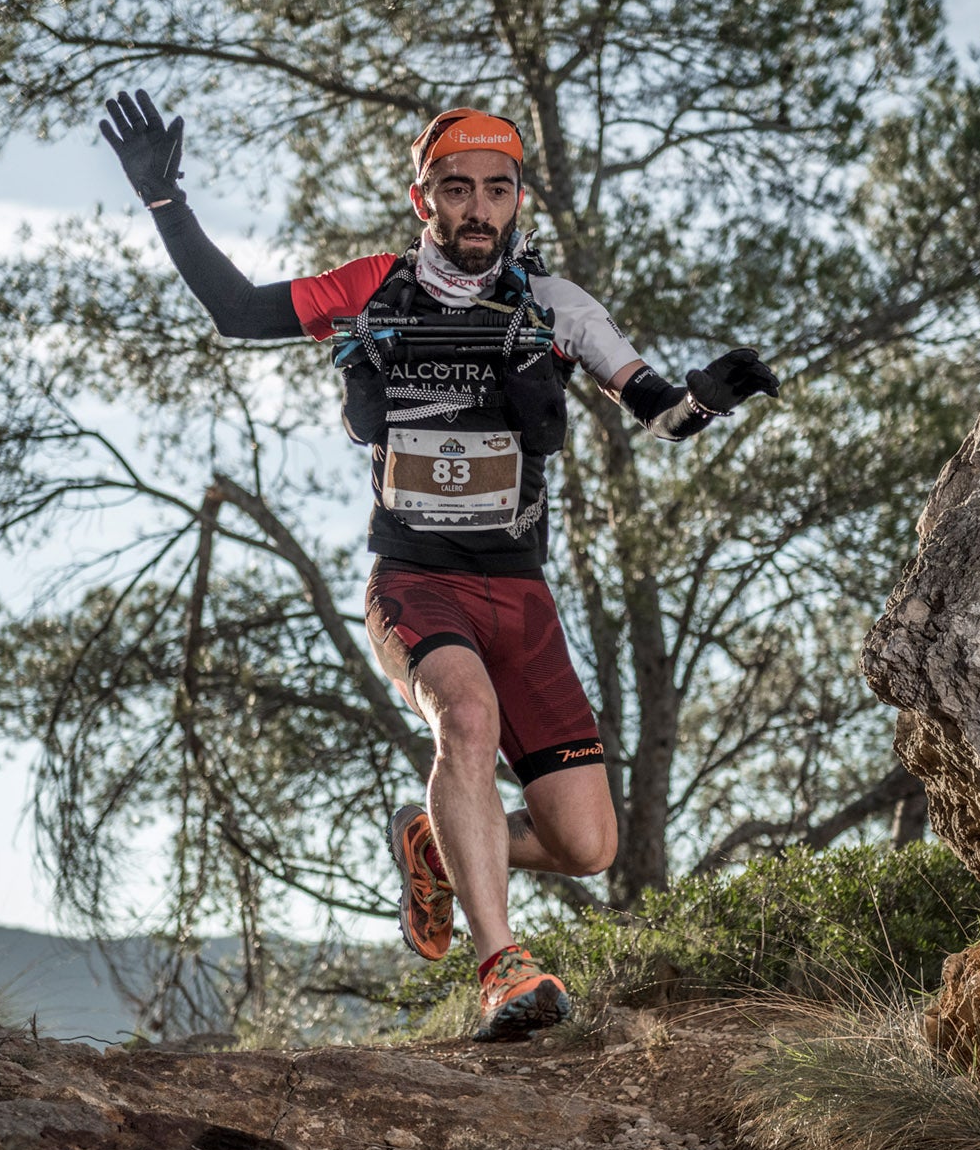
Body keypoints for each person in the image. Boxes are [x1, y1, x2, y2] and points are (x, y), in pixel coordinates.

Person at [101, 89, 779, 1041]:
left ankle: (437, 835)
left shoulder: (557, 306)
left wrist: (709, 397)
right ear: (424, 200)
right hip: (415, 579)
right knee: (465, 718)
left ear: (517, 201)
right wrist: (167, 204)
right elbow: (237, 311)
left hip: (521, 594)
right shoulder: (375, 285)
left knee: (587, 844)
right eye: (454, 189)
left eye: (495, 190)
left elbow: (655, 409)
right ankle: (503, 965)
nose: (476, 208)